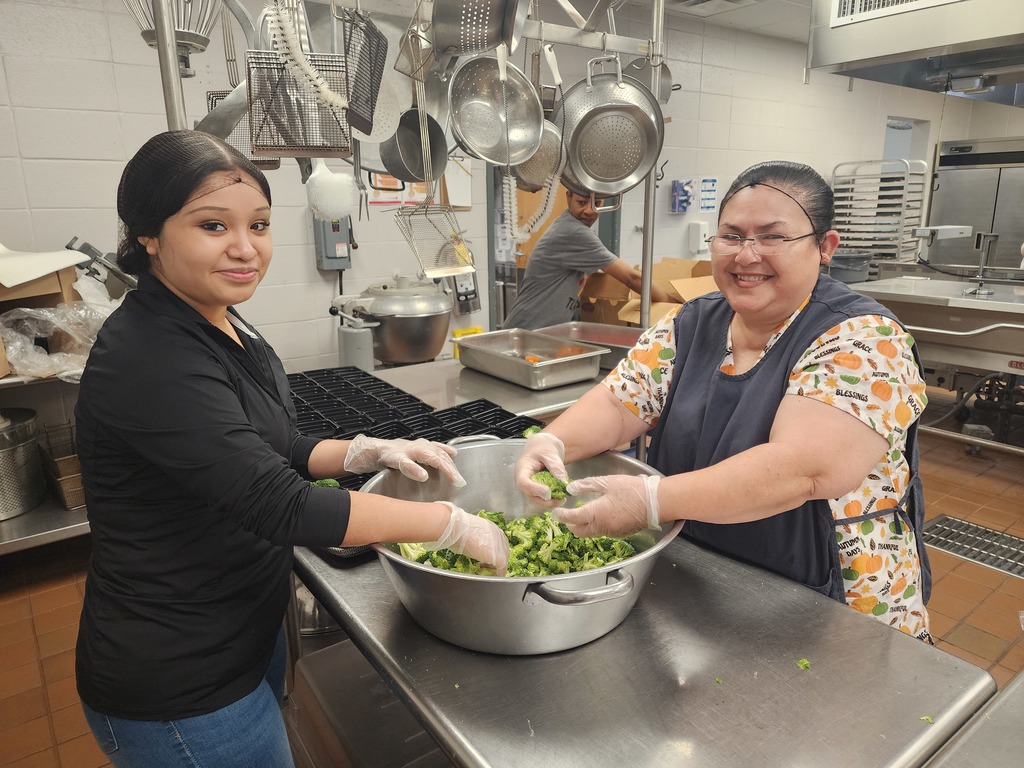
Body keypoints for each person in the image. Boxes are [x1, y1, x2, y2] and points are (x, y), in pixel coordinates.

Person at [74, 129, 509, 768]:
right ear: (149, 237)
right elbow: (280, 505)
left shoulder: (218, 317)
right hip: (180, 683)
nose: (245, 248)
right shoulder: (149, 356)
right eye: (213, 226)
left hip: (243, 627)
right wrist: (448, 524)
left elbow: (272, 444)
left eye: (260, 224)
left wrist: (362, 452)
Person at [515, 160, 933, 642]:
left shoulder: (865, 339)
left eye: (773, 237)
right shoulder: (692, 324)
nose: (746, 255)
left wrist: (651, 501)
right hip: (710, 583)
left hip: (835, 606)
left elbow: (805, 469)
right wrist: (552, 441)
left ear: (825, 247)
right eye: (731, 236)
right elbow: (619, 402)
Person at [501, 187, 671, 330]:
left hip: (541, 333)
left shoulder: (569, 227)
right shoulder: (573, 232)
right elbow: (631, 277)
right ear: (568, 197)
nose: (590, 211)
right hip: (527, 333)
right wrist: (670, 304)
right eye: (581, 203)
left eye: (597, 203)